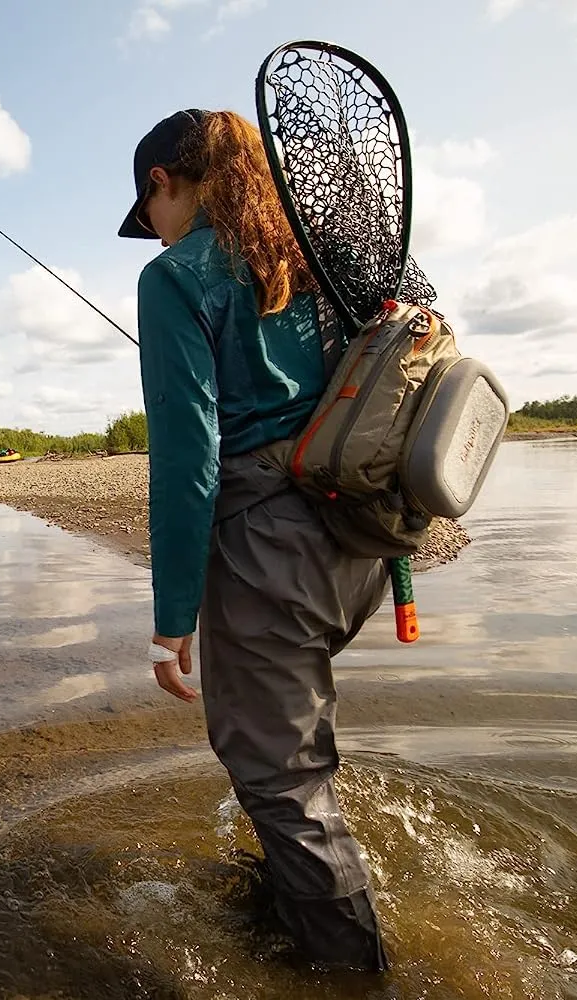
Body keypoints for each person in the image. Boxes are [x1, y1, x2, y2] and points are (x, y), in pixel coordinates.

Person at [117, 107, 391, 972]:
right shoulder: (316, 253)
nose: (150, 236)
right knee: (292, 756)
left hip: (270, 552)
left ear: (163, 182)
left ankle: (352, 974)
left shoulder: (175, 278)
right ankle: (286, 904)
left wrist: (174, 617)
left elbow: (187, 459)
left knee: (280, 778)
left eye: (146, 214)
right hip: (361, 541)